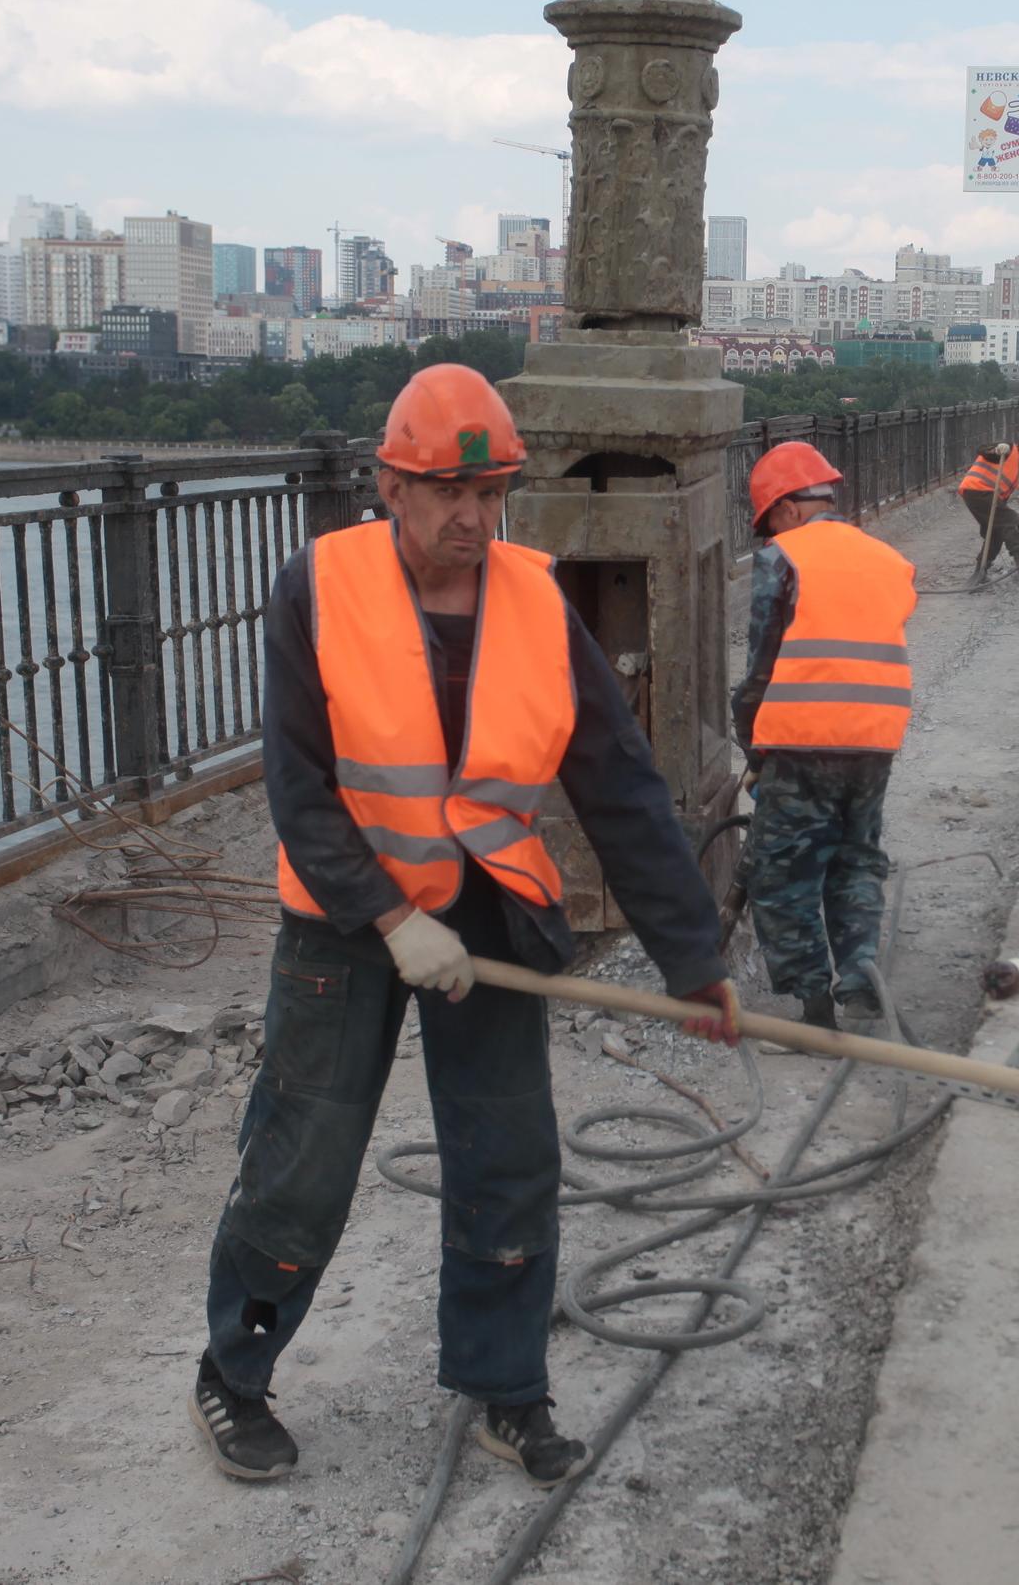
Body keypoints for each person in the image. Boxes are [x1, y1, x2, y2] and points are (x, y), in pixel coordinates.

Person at [192, 364, 740, 1490]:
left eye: (490, 494)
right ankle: (233, 1374)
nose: (472, 519)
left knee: (510, 1159)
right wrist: (389, 913)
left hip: (487, 912)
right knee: (303, 1157)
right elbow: (298, 786)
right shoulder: (319, 585)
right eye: (447, 492)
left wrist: (693, 956)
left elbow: (619, 784)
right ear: (389, 484)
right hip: (347, 920)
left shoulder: (536, 599)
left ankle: (506, 1389)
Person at [731, 442, 917, 1029]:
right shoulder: (887, 558)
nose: (768, 537)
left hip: (802, 738)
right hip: (876, 737)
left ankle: (813, 1003)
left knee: (782, 869)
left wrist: (750, 741)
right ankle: (860, 972)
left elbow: (763, 665)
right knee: (857, 857)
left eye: (767, 525)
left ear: (786, 509)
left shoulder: (783, 558)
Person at [959, 434, 1019, 571]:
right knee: (1010, 519)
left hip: (980, 494)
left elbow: (1002, 502)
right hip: (978, 490)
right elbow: (982, 449)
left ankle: (981, 571)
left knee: (997, 532)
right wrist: (996, 450)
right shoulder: (1008, 449)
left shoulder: (1013, 470)